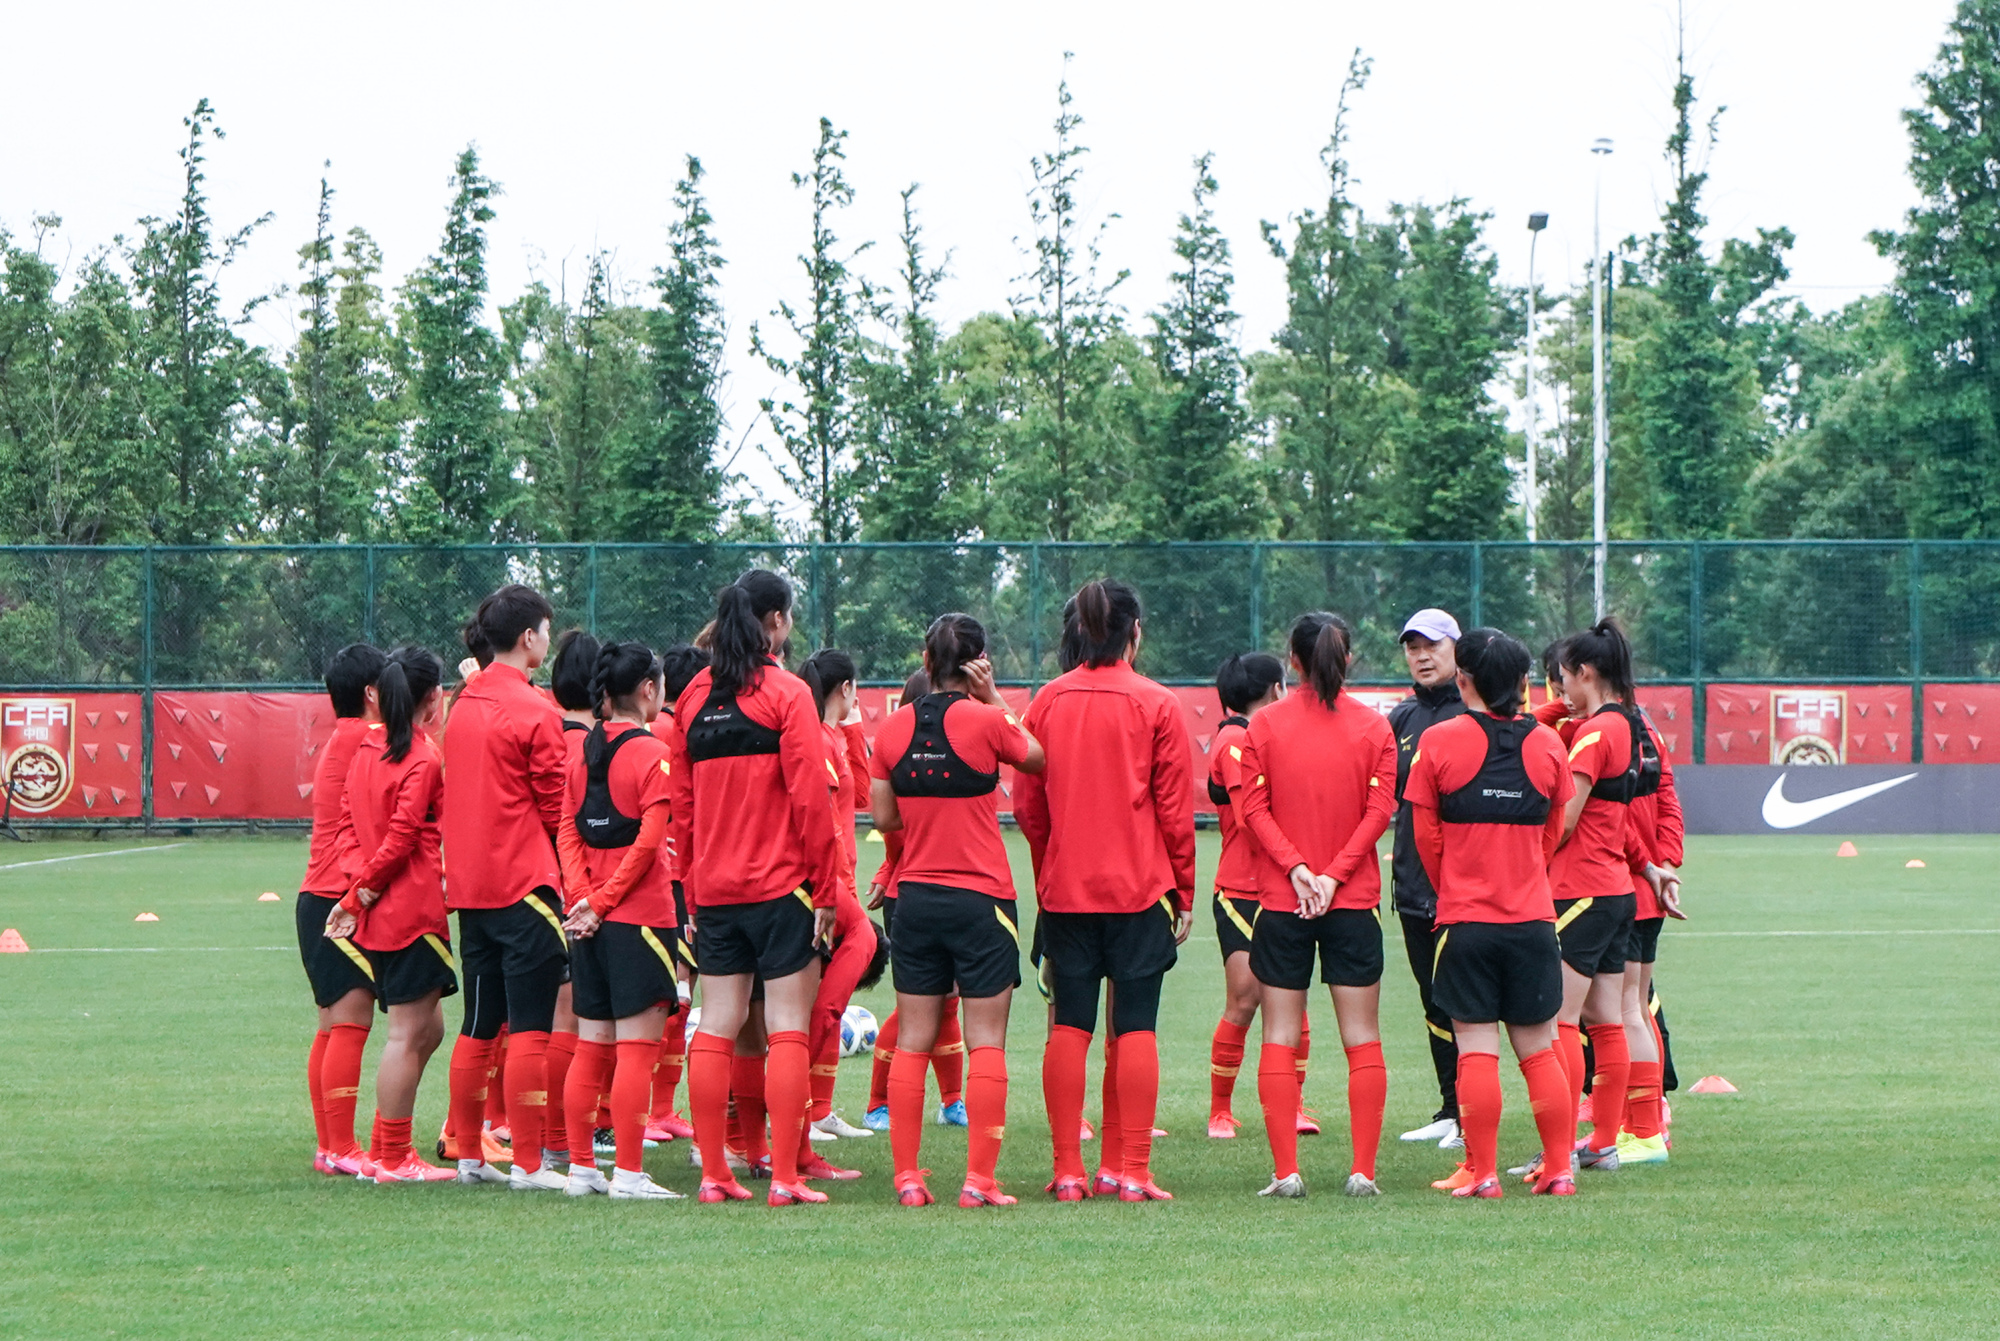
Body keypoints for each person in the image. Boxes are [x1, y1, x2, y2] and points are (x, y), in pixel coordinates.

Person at [1014, 580, 1196, 1203]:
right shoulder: (1158, 704)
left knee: (1070, 1026)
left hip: (1067, 891)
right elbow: (1175, 813)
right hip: (1141, 890)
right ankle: (1130, 1171)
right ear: (1134, 633)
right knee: (1136, 1026)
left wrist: (1049, 866)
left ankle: (1069, 1171)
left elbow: (1028, 805)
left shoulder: (1048, 702)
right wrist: (1187, 890)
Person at [665, 570, 843, 1207]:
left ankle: (716, 1174)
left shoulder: (689, 700)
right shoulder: (788, 694)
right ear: (776, 623)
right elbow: (809, 803)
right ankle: (787, 1179)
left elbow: (682, 813)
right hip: (779, 891)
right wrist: (825, 889)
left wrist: (687, 893)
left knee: (717, 1026)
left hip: (713, 894)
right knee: (788, 1028)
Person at [870, 613, 1045, 1207]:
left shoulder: (889, 731)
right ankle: (978, 1182)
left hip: (914, 899)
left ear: (925, 662)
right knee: (986, 1041)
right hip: (982, 899)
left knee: (914, 1040)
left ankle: (908, 1179)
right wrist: (994, 697)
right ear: (978, 664)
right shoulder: (989, 720)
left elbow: (885, 820)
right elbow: (1039, 758)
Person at [1402, 627, 1580, 1199]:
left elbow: (1423, 838)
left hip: (1466, 923)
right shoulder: (1551, 746)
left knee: (1474, 1045)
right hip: (1532, 922)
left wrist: (1456, 884)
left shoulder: (1439, 741)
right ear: (1525, 683)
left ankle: (1480, 1173)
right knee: (1538, 1047)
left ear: (1463, 679)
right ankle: (1559, 1169)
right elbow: (1554, 831)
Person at [1233, 612, 1397, 1199]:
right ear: (1346, 660)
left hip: (1283, 899)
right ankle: (1363, 1172)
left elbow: (1253, 812)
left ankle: (1286, 1173)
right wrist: (1333, 876)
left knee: (1278, 1033)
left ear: (1292, 662)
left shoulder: (1264, 726)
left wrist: (1300, 871)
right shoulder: (1374, 730)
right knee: (1363, 1037)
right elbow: (1380, 815)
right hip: (1352, 900)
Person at [440, 584, 572, 1190]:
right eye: (546, 629)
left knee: (478, 1022)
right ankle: (526, 1162)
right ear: (529, 638)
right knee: (529, 1027)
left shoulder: (462, 706)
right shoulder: (535, 710)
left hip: (471, 889)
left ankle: (469, 1154)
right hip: (524, 886)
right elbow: (554, 805)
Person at [553, 641, 683, 1200]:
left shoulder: (581, 752)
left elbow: (567, 830)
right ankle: (628, 1171)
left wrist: (582, 898)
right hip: (640, 919)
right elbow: (649, 843)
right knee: (636, 1050)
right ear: (649, 690)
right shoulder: (652, 753)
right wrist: (603, 902)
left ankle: (582, 1168)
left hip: (590, 922)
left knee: (591, 1044)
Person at [324, 645, 458, 1184]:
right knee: (406, 1033)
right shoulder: (421, 756)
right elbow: (403, 837)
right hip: (412, 909)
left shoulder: (365, 752)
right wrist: (364, 893)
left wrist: (361, 886)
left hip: (386, 910)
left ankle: (386, 1146)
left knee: (429, 1029)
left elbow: (347, 832)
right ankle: (394, 1157)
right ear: (432, 699)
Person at [1528, 616, 1649, 1178]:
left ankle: (1561, 1148)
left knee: (1558, 1022)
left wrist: (1528, 857)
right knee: (1606, 1018)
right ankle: (1602, 1140)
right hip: (1615, 890)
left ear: (1586, 673)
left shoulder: (1597, 735)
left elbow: (1567, 818)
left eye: (1563, 680)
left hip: (1578, 891)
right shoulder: (1625, 725)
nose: (1559, 692)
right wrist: (1561, 712)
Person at [863, 668, 971, 1135]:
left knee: (948, 1002)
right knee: (919, 1010)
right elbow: (894, 834)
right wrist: (890, 871)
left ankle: (952, 1101)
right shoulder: (910, 765)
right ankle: (877, 1102)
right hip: (914, 892)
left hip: (933, 887)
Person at [299, 642, 387, 1177]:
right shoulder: (367, 739)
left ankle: (330, 1146)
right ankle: (339, 1147)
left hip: (319, 897)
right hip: (340, 897)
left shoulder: (344, 737)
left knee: (333, 1025)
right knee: (349, 1022)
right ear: (374, 693)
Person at [792, 647, 879, 1181]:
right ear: (844, 687)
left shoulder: (831, 737)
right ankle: (798, 1105)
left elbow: (862, 794)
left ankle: (817, 1109)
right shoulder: (814, 741)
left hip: (839, 879)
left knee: (825, 993)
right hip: (828, 885)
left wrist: (851, 727)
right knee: (861, 946)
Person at [1387, 608, 1469, 1151]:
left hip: (1460, 890)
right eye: (1413, 646)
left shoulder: (1471, 716)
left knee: (1466, 1005)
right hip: (1412, 887)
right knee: (1433, 1000)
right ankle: (1448, 1107)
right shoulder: (1399, 719)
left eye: (1432, 645)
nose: (1421, 655)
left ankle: (1468, 1114)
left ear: (1456, 650)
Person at [1203, 652, 1288, 1141]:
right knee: (1246, 996)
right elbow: (1249, 818)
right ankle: (1220, 1109)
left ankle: (1291, 1104)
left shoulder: (1260, 736)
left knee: (1287, 996)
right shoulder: (1236, 739)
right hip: (1242, 890)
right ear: (1275, 689)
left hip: (1278, 885)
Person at [643, 644, 709, 1145]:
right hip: (673, 876)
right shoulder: (671, 733)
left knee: (678, 994)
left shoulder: (664, 729)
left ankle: (660, 1108)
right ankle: (656, 1108)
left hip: (674, 873)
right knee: (675, 993)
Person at [1615, 697, 1684, 1165]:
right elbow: (1669, 798)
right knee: (1635, 1007)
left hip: (1617, 884)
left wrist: (1647, 864)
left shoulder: (1606, 731)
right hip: (1643, 884)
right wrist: (1666, 863)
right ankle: (1646, 1118)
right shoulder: (1644, 727)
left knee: (1624, 1011)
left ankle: (1640, 1128)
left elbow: (1606, 817)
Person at [543, 630, 601, 1169]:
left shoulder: (547, 730)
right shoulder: (588, 746)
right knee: (573, 1015)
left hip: (544, 883)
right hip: (580, 888)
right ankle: (561, 1136)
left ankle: (539, 1129)